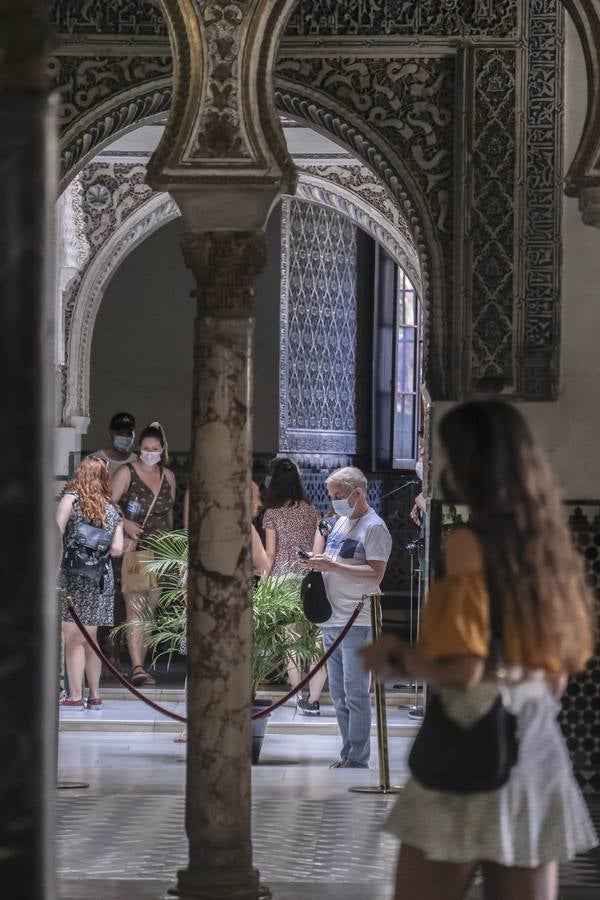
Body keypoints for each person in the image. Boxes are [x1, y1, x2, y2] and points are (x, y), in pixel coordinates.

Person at [362, 400, 597, 900]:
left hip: (469, 750)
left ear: (470, 465)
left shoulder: (470, 543)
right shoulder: (548, 548)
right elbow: (556, 676)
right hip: (534, 753)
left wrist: (396, 659)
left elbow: (467, 669)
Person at [302, 466, 392, 767]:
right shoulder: (340, 522)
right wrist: (317, 562)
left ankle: (358, 756)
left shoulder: (374, 527)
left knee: (355, 692)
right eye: (331, 496)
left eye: (338, 496)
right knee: (338, 694)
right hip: (332, 619)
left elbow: (375, 574)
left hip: (357, 620)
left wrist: (334, 567)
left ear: (358, 493)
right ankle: (347, 753)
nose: (334, 501)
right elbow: (332, 559)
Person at [111, 422, 176, 686]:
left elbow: (169, 516)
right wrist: (124, 523)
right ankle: (137, 666)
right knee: (135, 609)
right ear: (140, 449)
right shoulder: (127, 472)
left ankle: (142, 663)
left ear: (162, 450)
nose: (150, 452)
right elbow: (108, 503)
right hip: (136, 549)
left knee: (149, 611)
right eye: (146, 448)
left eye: (155, 449)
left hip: (161, 551)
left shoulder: (168, 475)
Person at [57, 456, 124, 709]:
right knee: (91, 638)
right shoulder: (112, 508)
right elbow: (117, 549)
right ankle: (95, 695)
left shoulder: (70, 500)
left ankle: (75, 696)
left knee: (73, 637)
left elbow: (56, 533)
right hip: (100, 579)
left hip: (73, 576)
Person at [262, 458, 325, 714]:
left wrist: (263, 586)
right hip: (310, 579)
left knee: (292, 640)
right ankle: (314, 698)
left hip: (283, 580)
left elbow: (270, 554)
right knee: (315, 641)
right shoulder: (311, 510)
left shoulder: (272, 514)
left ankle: (298, 694)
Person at [92, 411, 137, 477]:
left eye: (129, 433)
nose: (125, 437)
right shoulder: (94, 461)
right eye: (120, 433)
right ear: (111, 432)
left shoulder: (137, 461)